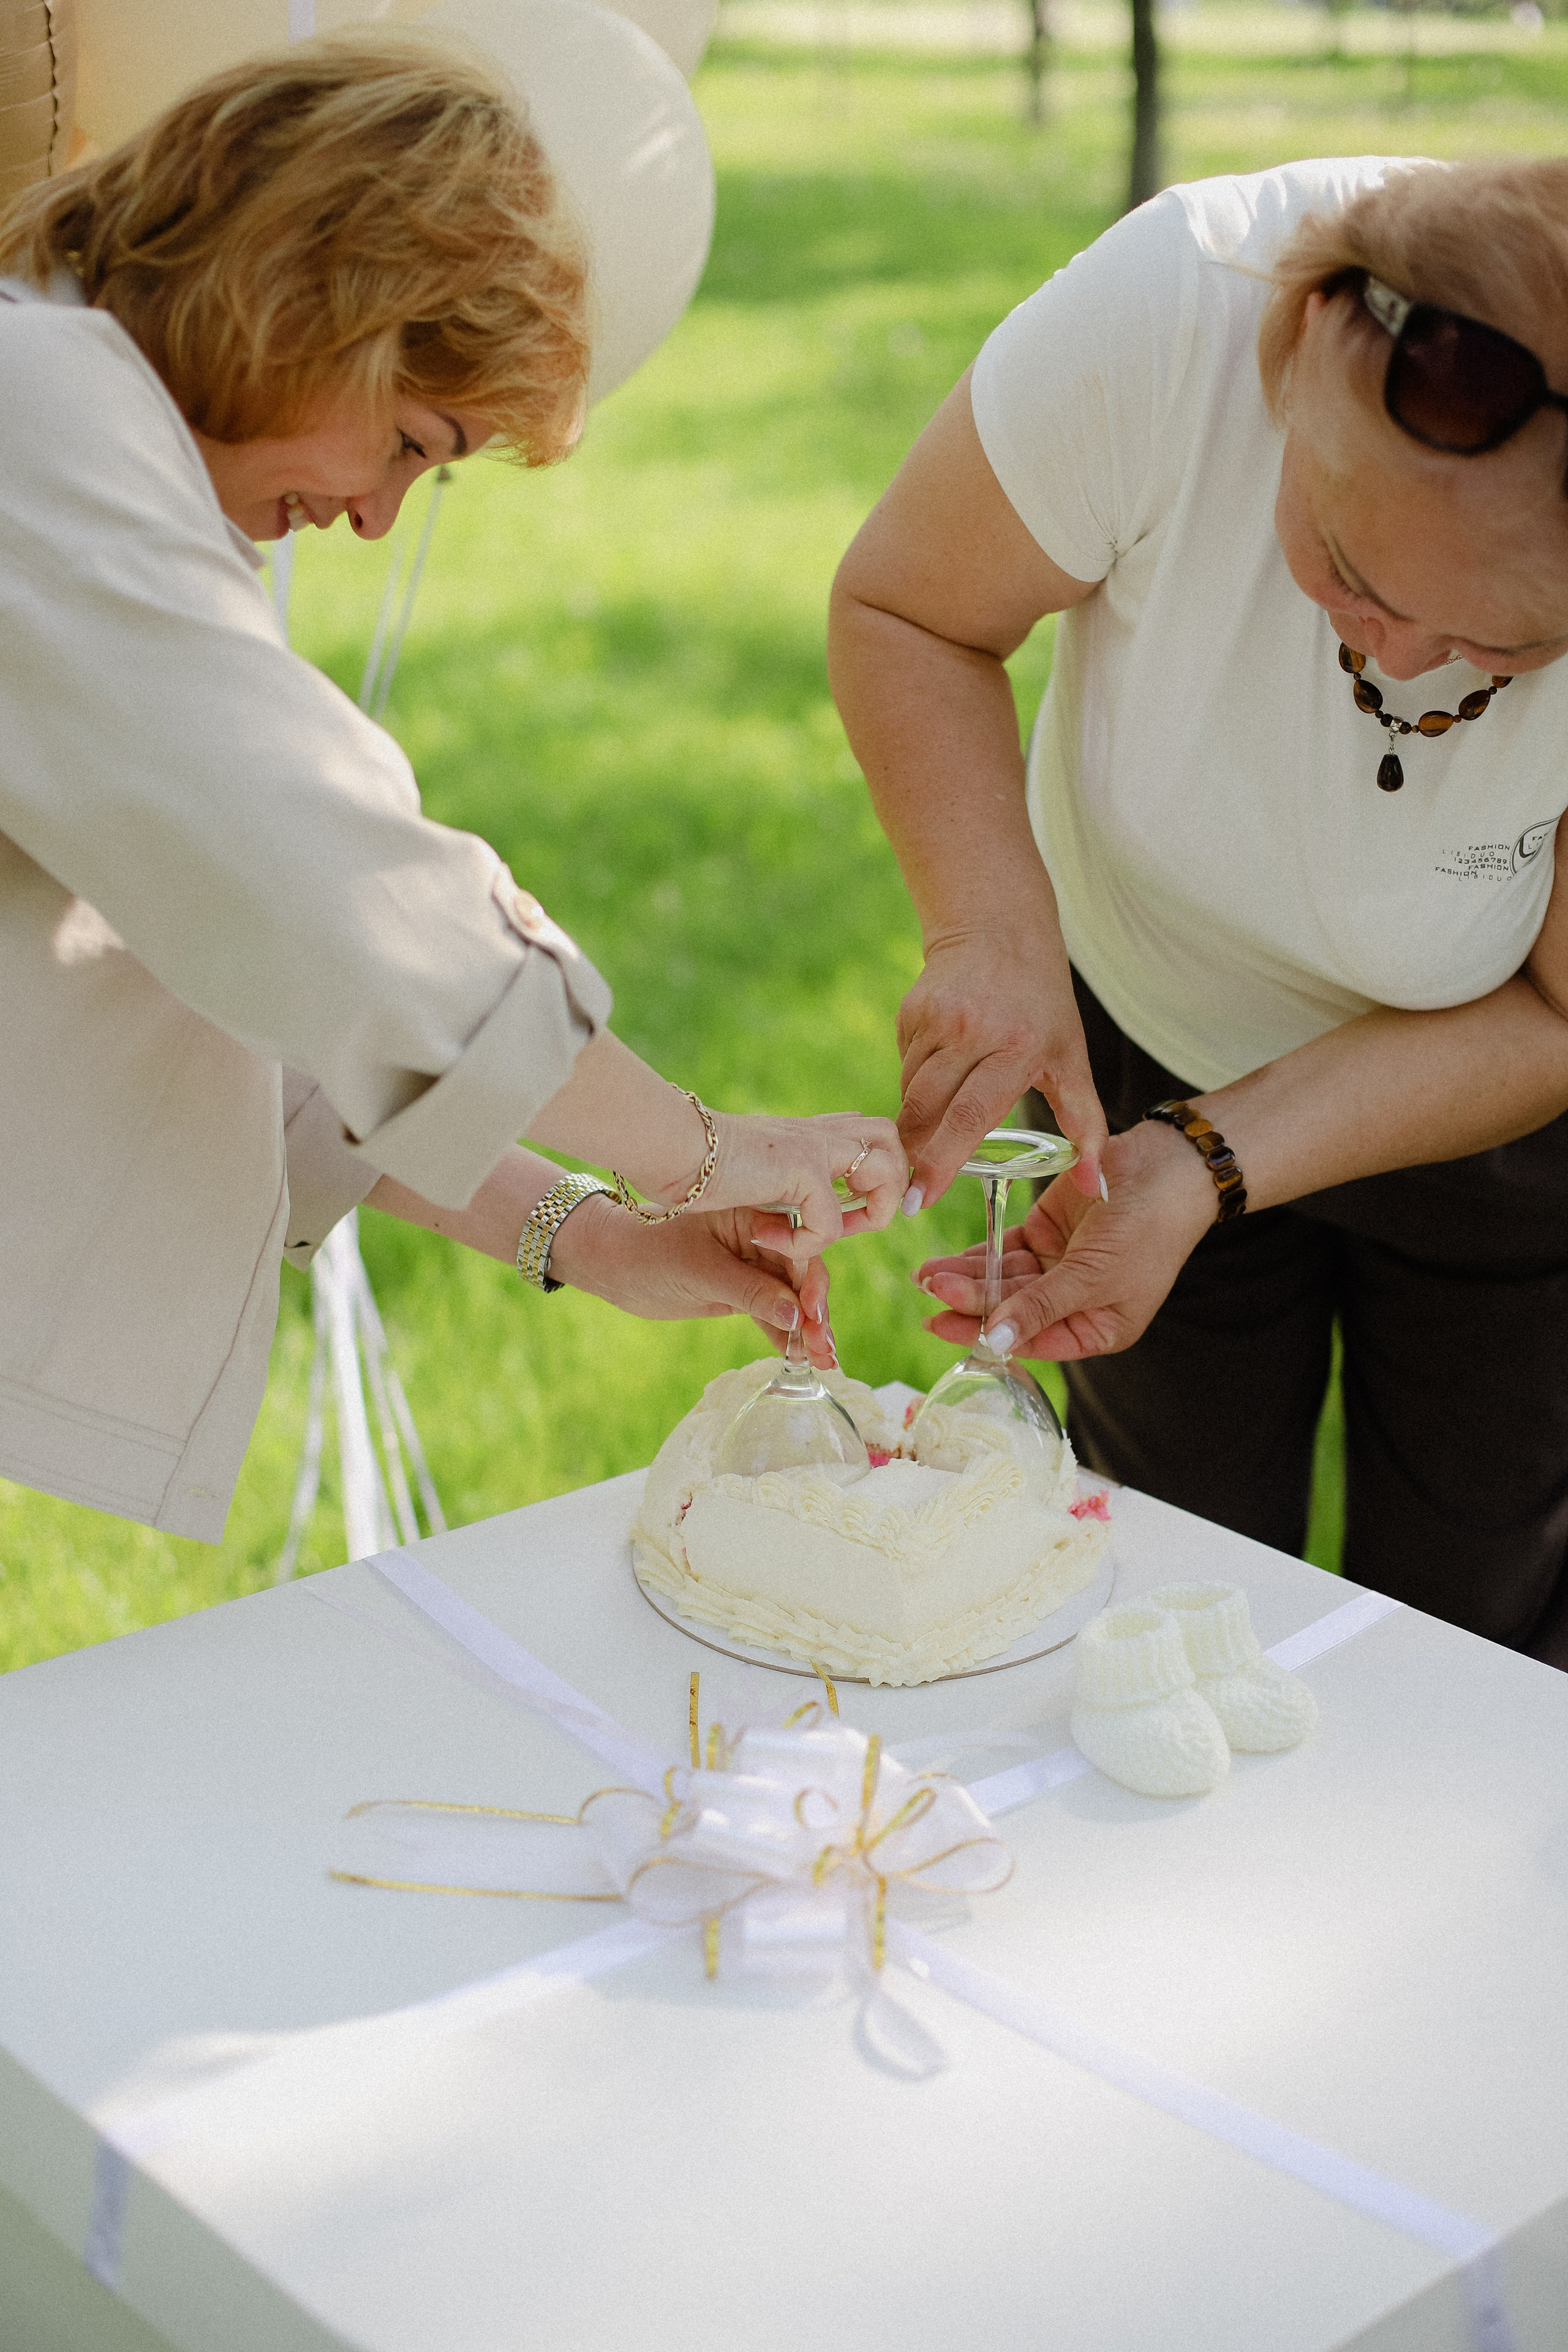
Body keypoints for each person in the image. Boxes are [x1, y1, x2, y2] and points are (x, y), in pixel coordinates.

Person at [0, 31, 904, 1545]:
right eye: (412, 445)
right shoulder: (34, 420)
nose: (373, 518)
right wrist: (709, 1149)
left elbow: (235, 990)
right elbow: (337, 896)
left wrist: (594, 1235)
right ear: (303, 297)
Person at [830, 155, 1568, 1665]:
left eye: (1498, 650)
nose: (1403, 662)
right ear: (1294, 359)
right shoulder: (1178, 307)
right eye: (1349, 572)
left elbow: (1556, 1010)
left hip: (1499, 1127)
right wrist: (991, 936)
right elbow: (910, 607)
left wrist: (1210, 1157)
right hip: (1138, 1033)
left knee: (1474, 1626)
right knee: (1160, 1576)